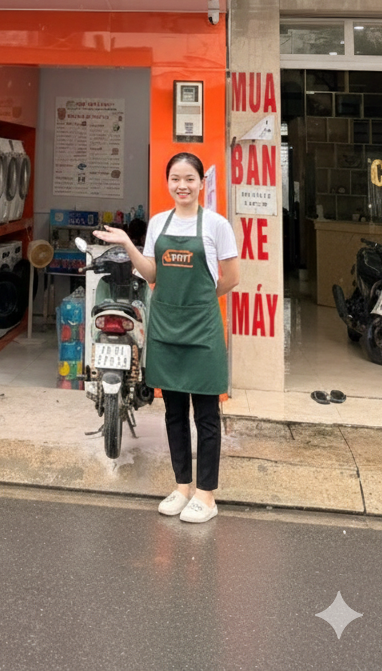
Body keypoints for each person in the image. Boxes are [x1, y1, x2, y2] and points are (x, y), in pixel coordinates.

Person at [93, 152, 239, 524]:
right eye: (175, 178)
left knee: (206, 415)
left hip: (202, 330)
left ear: (201, 183)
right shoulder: (159, 222)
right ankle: (182, 487)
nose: (182, 185)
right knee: (174, 413)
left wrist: (198, 303)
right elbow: (151, 273)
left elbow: (232, 278)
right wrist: (128, 244)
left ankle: (206, 495)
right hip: (166, 328)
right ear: (168, 182)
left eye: (190, 178)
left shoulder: (217, 225)